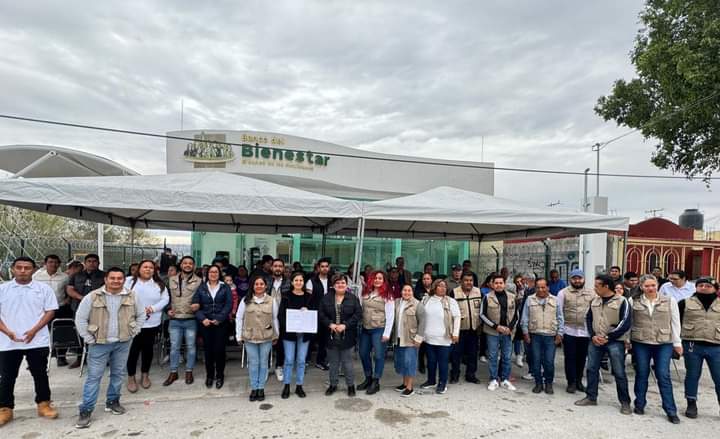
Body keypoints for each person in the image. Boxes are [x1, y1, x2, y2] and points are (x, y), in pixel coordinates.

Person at [74, 267, 146, 429]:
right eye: (112, 278)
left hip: (123, 342)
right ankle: (86, 410)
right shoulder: (93, 296)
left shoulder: (132, 296)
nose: (116, 281)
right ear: (106, 279)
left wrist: (135, 331)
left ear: (123, 280)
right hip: (99, 343)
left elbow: (141, 315)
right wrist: (88, 338)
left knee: (118, 374)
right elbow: (80, 318)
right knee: (94, 377)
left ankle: (113, 401)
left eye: (119, 278)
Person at [0, 257, 59, 427]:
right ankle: (5, 409)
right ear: (12, 269)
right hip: (8, 342)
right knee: (7, 376)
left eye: (27, 268)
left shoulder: (43, 289)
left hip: (37, 340)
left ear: (33, 270)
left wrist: (34, 330)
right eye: (19, 267)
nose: (23, 271)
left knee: (40, 374)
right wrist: (7, 332)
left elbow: (50, 311)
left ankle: (44, 404)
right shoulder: (3, 289)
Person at [575, 274, 632, 414]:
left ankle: (625, 402)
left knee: (619, 372)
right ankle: (591, 397)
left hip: (615, 342)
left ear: (606, 286)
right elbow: (588, 318)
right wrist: (592, 335)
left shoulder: (622, 301)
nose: (594, 288)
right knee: (591, 369)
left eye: (597, 286)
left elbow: (625, 323)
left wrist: (609, 337)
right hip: (595, 340)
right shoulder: (595, 300)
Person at [628, 274, 681, 423]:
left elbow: (675, 322)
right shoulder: (633, 301)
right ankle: (639, 404)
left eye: (653, 285)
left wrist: (677, 343)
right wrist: (627, 340)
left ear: (657, 285)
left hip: (663, 342)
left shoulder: (669, 300)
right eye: (647, 286)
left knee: (663, 374)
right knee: (642, 373)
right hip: (641, 341)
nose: (650, 288)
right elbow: (629, 322)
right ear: (641, 287)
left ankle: (670, 410)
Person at [678, 277, 720, 419]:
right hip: (692, 344)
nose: (703, 287)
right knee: (692, 375)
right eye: (700, 285)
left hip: (716, 346)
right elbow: (677, 322)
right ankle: (691, 403)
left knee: (718, 377)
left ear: (715, 289)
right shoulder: (685, 303)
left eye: (708, 286)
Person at [124, 260, 169, 392]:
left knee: (148, 350)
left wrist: (152, 309)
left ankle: (145, 375)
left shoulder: (159, 284)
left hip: (151, 323)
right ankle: (131, 377)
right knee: (132, 351)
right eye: (145, 267)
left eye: (151, 267)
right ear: (139, 268)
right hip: (132, 322)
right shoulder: (128, 281)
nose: (148, 269)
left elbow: (165, 299)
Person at [236, 276, 279, 402]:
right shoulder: (245, 300)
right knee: (253, 363)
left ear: (266, 286)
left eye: (261, 284)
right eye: (256, 284)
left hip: (266, 336)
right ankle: (254, 388)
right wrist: (239, 335)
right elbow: (239, 318)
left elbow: (275, 319)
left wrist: (276, 334)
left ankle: (261, 388)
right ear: (253, 286)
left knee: (263, 362)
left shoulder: (272, 301)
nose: (259, 286)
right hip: (250, 337)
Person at [321, 274, 362, 397]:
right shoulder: (326, 298)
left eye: (343, 282)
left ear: (346, 285)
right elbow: (321, 314)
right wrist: (330, 324)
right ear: (333, 285)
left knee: (347, 363)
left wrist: (346, 325)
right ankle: (333, 385)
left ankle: (350, 386)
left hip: (347, 335)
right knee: (333, 363)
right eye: (338, 283)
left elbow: (358, 314)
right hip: (331, 335)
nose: (340, 285)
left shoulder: (353, 298)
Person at [521, 278, 564, 395]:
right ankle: (538, 383)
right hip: (535, 335)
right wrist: (525, 333)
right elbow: (524, 318)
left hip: (551, 336)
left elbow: (560, 318)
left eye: (543, 287)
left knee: (549, 361)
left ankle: (548, 383)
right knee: (536, 361)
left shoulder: (555, 300)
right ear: (535, 288)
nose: (540, 289)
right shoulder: (530, 299)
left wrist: (560, 333)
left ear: (548, 287)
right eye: (538, 287)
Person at [192, 265, 232, 389]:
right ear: (207, 274)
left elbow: (229, 305)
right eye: (211, 272)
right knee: (208, 350)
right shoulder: (201, 288)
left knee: (220, 350)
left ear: (219, 274)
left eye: (215, 272)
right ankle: (209, 375)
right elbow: (195, 305)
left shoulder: (225, 287)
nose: (213, 274)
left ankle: (220, 375)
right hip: (206, 323)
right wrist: (202, 318)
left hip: (221, 323)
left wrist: (219, 318)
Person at [163, 256, 201, 386]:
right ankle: (173, 372)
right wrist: (167, 309)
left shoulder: (199, 281)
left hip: (191, 319)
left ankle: (189, 371)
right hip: (175, 319)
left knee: (191, 347)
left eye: (190, 263)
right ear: (181, 265)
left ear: (194, 266)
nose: (188, 265)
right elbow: (165, 297)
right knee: (174, 348)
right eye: (185, 263)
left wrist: (198, 305)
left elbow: (201, 298)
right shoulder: (171, 280)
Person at [418, 279, 460, 394]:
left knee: (443, 362)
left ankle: (442, 383)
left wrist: (455, 333)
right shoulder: (426, 299)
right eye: (440, 286)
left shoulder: (451, 301)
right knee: (431, 361)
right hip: (428, 337)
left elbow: (457, 317)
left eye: (444, 286)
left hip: (444, 338)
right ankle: (431, 380)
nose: (443, 288)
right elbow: (420, 315)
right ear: (434, 287)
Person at [556, 269, 594, 394]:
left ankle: (579, 382)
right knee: (570, 358)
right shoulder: (563, 293)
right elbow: (559, 312)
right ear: (570, 279)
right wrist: (559, 331)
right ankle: (571, 383)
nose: (577, 281)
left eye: (579, 278)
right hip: (569, 330)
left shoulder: (592, 293)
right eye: (574, 278)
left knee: (582, 358)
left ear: (584, 279)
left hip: (585, 332)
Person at [358, 271, 396, 394]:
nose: (377, 280)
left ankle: (376, 381)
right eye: (375, 278)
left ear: (384, 281)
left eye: (380, 278)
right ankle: (368, 377)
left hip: (379, 328)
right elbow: (360, 306)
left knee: (379, 356)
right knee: (363, 353)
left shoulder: (388, 295)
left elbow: (390, 316)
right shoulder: (365, 292)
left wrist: (387, 333)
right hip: (365, 328)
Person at [278, 272, 314, 399]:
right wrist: (289, 326)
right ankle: (287, 385)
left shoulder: (309, 297)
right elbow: (281, 315)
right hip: (289, 333)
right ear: (292, 282)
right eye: (296, 280)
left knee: (301, 360)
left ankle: (299, 385)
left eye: (301, 280)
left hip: (304, 334)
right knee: (288, 360)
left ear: (303, 282)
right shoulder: (286, 296)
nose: (299, 282)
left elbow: (314, 313)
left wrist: (308, 311)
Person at [66, 253, 106, 368]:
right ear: (85, 263)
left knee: (97, 333)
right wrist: (82, 298)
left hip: (98, 309)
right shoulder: (76, 275)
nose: (92, 263)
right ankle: (80, 359)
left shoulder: (104, 276)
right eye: (89, 261)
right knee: (80, 333)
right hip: (79, 308)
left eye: (94, 261)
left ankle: (98, 359)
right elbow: (69, 289)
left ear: (98, 263)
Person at [481, 274, 518, 391]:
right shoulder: (487, 297)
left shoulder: (512, 297)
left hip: (507, 332)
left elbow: (516, 315)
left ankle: (505, 379)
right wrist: (496, 326)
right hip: (493, 332)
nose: (498, 285)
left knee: (507, 356)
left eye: (501, 283)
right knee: (493, 356)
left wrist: (510, 328)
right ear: (492, 285)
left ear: (504, 284)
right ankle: (493, 379)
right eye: (496, 283)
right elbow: (482, 315)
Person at [33, 254, 71, 366]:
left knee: (61, 333)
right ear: (45, 263)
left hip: (60, 308)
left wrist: (67, 300)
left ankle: (61, 357)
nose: (53, 264)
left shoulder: (65, 277)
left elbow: (68, 290)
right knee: (41, 333)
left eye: (56, 262)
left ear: (59, 264)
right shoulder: (36, 276)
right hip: (42, 310)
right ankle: (36, 360)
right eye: (50, 262)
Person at [450, 273, 483, 384]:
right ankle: (454, 374)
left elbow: (483, 309)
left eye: (471, 280)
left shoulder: (478, 292)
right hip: (459, 330)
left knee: (473, 354)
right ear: (461, 281)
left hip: (474, 329)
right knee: (456, 354)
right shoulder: (454, 292)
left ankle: (471, 375)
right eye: (466, 280)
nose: (469, 282)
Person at [394, 284, 424, 396]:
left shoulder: (417, 304)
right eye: (404, 290)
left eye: (409, 290)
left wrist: (419, 338)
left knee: (409, 362)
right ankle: (404, 383)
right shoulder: (397, 302)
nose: (406, 292)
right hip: (399, 337)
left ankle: (410, 387)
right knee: (402, 362)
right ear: (401, 291)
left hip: (411, 338)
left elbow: (423, 322)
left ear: (412, 292)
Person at [306, 257, 332, 370]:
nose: (324, 268)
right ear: (318, 268)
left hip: (328, 315)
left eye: (326, 266)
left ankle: (320, 361)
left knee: (324, 339)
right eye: (322, 266)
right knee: (310, 338)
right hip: (314, 314)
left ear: (329, 267)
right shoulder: (311, 281)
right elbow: (308, 299)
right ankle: (305, 360)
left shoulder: (332, 281)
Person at [269, 259, 291, 382]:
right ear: (272, 268)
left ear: (283, 268)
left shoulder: (289, 282)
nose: (278, 268)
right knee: (266, 343)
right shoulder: (266, 281)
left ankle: (279, 366)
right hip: (267, 316)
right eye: (275, 266)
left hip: (283, 316)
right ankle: (266, 367)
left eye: (280, 266)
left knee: (280, 344)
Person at [414, 272, 433, 373]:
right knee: (422, 344)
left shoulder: (435, 291)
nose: (426, 280)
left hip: (432, 320)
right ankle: (421, 365)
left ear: (431, 280)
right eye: (424, 279)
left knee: (430, 344)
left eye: (428, 278)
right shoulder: (418, 291)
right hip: (421, 320)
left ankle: (430, 364)